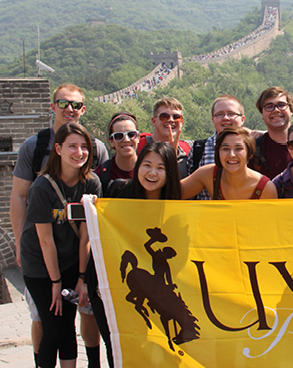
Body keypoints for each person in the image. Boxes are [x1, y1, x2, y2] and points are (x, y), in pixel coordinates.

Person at [10, 83, 107, 368]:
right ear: (58, 149)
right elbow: (42, 235)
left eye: (75, 105)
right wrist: (53, 280)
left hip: (70, 262)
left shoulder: (92, 178)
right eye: (63, 103)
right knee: (49, 324)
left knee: (65, 326)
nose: (79, 152)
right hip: (41, 262)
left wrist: (80, 276)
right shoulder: (39, 170)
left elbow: (87, 235)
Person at [87, 141, 182, 367]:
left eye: (160, 168)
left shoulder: (176, 206)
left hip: (153, 289)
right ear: (138, 166)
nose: (152, 173)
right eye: (147, 165)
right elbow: (101, 236)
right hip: (112, 282)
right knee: (118, 344)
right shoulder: (118, 191)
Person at [182, 127, 277, 200]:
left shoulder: (266, 188)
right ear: (218, 152)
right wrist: (170, 154)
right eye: (225, 149)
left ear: (250, 153)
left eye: (238, 148)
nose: (231, 155)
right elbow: (174, 192)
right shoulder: (208, 174)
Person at [188, 94, 248, 199]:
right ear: (213, 119)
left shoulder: (256, 147)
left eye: (231, 113)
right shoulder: (199, 148)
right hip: (206, 213)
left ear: (242, 119)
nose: (225, 118)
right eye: (219, 114)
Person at [248, 87, 293, 179]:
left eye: (281, 105)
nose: (276, 110)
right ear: (262, 114)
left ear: (291, 110)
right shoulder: (254, 149)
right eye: (269, 106)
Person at [94, 112, 140, 195]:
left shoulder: (149, 171)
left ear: (138, 138)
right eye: (119, 136)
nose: (126, 140)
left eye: (131, 134)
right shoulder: (100, 175)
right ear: (111, 141)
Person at [147, 97, 193, 179]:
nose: (171, 120)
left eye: (176, 117)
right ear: (154, 121)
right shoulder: (139, 147)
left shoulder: (190, 149)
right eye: (164, 116)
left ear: (181, 122)